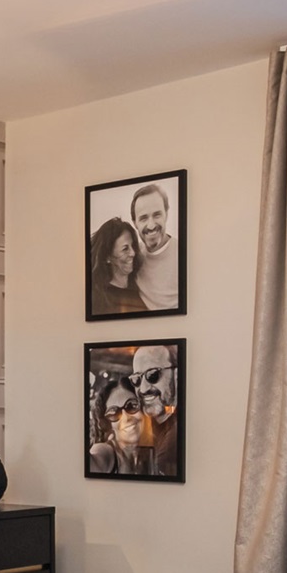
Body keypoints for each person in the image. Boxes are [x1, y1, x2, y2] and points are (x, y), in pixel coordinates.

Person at [129, 342, 181, 477]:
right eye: (136, 379)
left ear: (177, 375)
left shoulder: (176, 439)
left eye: (153, 375)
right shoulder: (145, 428)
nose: (143, 389)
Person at [130, 181, 179, 313]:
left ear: (166, 214)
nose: (151, 225)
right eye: (143, 218)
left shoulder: (183, 254)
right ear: (135, 223)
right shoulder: (132, 256)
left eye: (157, 215)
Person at [87, 217, 145, 315]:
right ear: (107, 257)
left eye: (132, 246)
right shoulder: (98, 300)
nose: (133, 253)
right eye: (125, 249)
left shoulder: (141, 284)